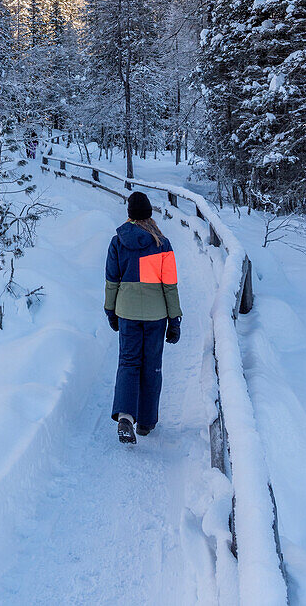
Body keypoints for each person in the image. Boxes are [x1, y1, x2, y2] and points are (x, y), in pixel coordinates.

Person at [104, 190, 182, 444]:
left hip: (127, 313)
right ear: (149, 214)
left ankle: (126, 416)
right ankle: (147, 422)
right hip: (156, 315)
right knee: (152, 366)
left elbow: (111, 282)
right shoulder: (162, 243)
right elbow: (170, 285)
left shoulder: (117, 242)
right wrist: (175, 319)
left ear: (129, 215)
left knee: (128, 363)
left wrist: (110, 310)